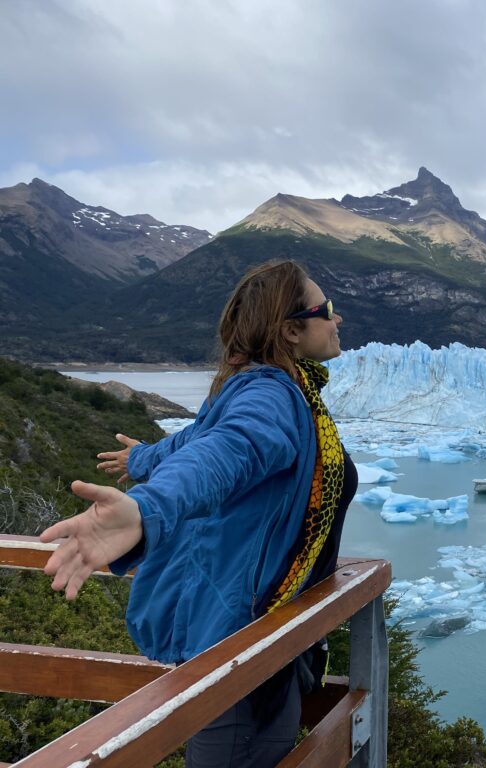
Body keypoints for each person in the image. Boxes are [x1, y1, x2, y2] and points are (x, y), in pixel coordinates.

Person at [41, 260, 358, 767]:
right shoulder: (272, 396)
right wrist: (146, 508)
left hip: (250, 630)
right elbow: (230, 450)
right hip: (238, 640)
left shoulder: (258, 388)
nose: (337, 319)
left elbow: (197, 440)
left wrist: (144, 458)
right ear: (291, 330)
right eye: (327, 310)